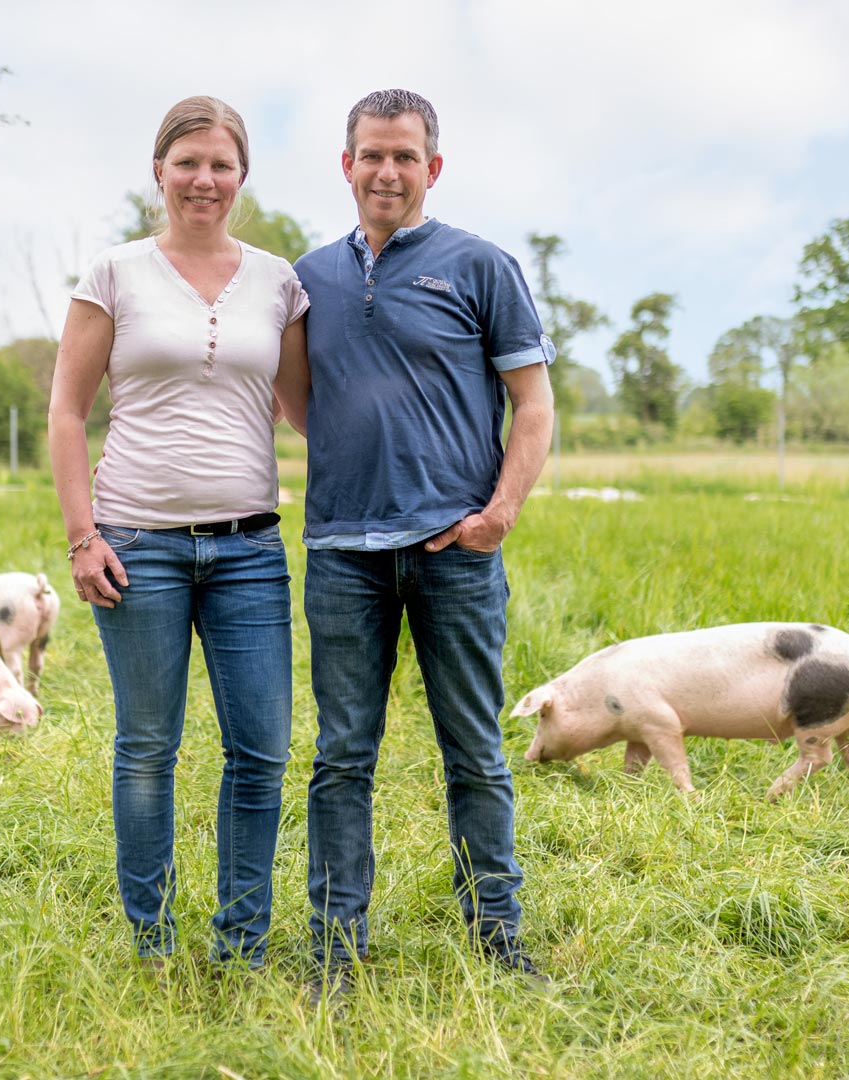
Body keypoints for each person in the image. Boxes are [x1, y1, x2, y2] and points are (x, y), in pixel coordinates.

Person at [275, 88, 556, 997]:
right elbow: (296, 398)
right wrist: (362, 460)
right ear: (346, 165)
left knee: (473, 747)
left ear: (432, 167)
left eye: (404, 156)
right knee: (340, 756)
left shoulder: (481, 267)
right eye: (370, 155)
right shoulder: (308, 276)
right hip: (342, 556)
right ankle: (335, 947)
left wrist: (498, 513)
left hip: (456, 554)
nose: (385, 171)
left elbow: (535, 404)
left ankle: (497, 932)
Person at [48, 95, 308, 969]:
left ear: (242, 176)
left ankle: (241, 942)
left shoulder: (278, 281)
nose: (205, 179)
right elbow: (66, 411)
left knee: (261, 751)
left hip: (249, 551)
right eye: (188, 162)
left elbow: (310, 410)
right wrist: (85, 537)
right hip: (138, 546)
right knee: (148, 749)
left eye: (221, 164)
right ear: (158, 170)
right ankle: (150, 940)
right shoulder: (114, 273)